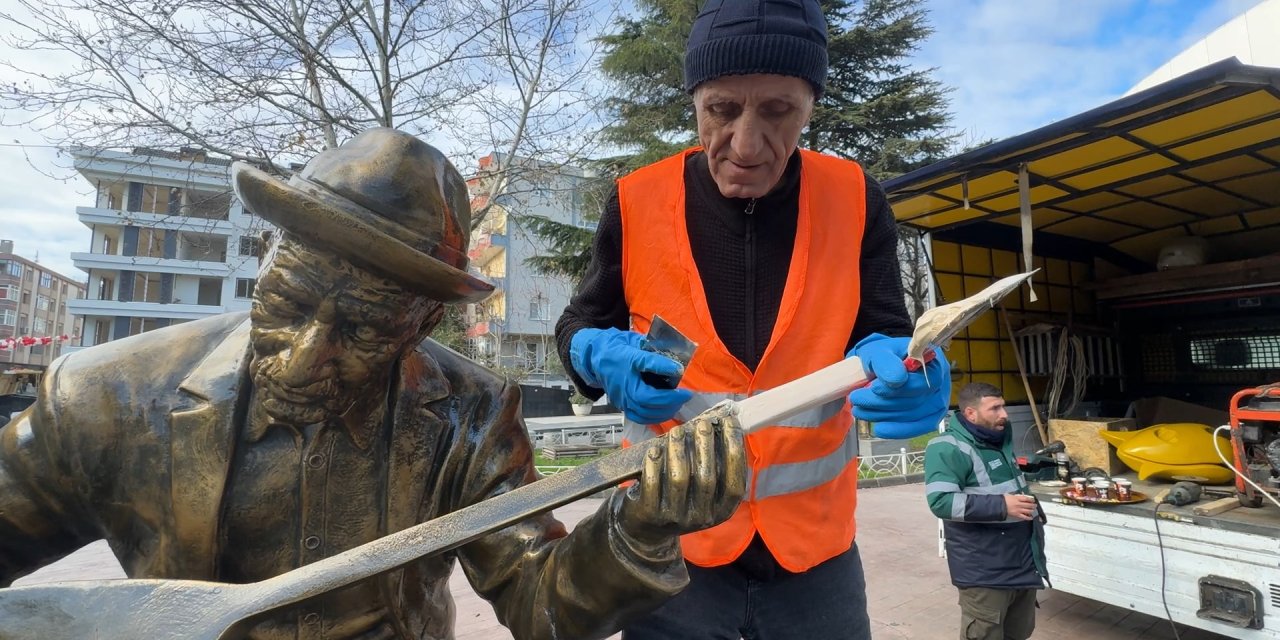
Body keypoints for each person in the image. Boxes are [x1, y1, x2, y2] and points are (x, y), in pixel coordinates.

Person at [0, 128, 749, 640]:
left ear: (420, 323)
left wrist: (641, 529)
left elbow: (539, 600)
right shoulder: (106, 398)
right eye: (287, 304)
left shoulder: (471, 415)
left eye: (360, 331)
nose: (303, 358)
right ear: (266, 260)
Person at [553, 1, 951, 637]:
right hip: (673, 539)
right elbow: (576, 323)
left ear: (811, 105)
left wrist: (910, 362)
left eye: (777, 111)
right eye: (721, 110)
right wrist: (594, 353)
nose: (744, 144)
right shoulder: (636, 201)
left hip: (814, 553)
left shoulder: (854, 198)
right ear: (695, 102)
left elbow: (881, 326)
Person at [924, 382, 1049, 640]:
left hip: (1022, 563)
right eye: (995, 408)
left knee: (1020, 633)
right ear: (971, 413)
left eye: (1003, 406)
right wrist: (1003, 506)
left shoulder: (999, 440)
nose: (1004, 414)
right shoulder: (947, 447)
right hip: (985, 572)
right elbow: (941, 502)